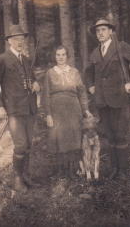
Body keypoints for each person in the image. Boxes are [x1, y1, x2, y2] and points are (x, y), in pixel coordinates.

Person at [85, 18, 130, 180]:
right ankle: (114, 169)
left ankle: (122, 171)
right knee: (109, 135)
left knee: (120, 135)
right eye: (97, 31)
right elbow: (88, 72)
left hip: (120, 100)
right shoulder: (95, 52)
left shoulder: (121, 47)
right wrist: (90, 86)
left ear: (111, 32)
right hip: (102, 101)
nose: (100, 33)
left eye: (103, 29)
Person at [0, 24, 41, 192]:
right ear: (9, 41)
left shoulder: (25, 59)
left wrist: (36, 82)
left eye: (22, 39)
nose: (20, 42)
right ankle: (17, 180)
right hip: (14, 110)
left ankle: (25, 175)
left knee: (28, 144)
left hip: (30, 109)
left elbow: (31, 78)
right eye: (16, 39)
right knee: (20, 145)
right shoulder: (2, 59)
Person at [43, 45, 93, 180]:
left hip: (73, 109)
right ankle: (60, 171)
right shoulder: (50, 73)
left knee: (73, 139)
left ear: (67, 56)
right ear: (55, 57)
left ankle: (72, 170)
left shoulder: (75, 72)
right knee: (56, 139)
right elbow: (46, 94)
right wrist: (48, 114)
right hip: (56, 110)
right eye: (58, 55)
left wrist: (85, 110)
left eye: (63, 54)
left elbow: (82, 92)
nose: (61, 57)